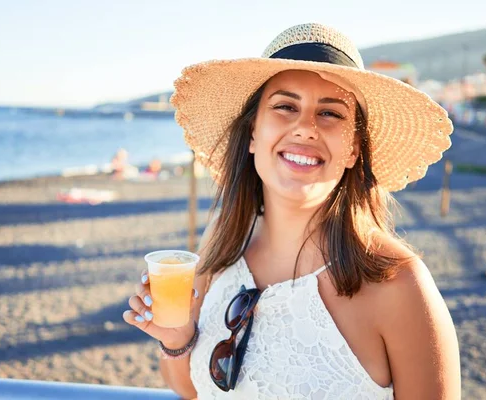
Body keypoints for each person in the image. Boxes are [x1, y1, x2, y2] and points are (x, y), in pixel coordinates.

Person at [123, 23, 461, 399]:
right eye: (285, 106)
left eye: (330, 114)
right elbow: (191, 388)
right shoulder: (223, 241)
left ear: (353, 149)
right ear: (253, 133)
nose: (305, 128)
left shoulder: (398, 284)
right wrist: (177, 338)